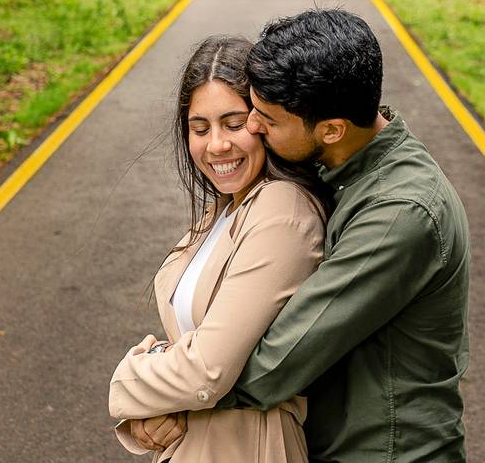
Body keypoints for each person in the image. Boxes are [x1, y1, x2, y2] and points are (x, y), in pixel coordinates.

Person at [210, 9, 470, 462]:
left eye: (267, 118)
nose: (252, 125)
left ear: (332, 129)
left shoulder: (399, 213)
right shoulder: (341, 161)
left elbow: (281, 360)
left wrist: (173, 396)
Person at [108, 35, 328, 462]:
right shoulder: (224, 209)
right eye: (200, 128)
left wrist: (127, 380)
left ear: (265, 122)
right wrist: (151, 410)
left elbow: (207, 372)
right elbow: (196, 356)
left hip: (249, 447)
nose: (216, 146)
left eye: (234, 123)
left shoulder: (281, 210)